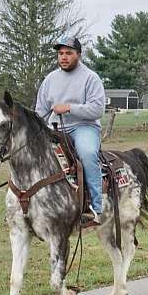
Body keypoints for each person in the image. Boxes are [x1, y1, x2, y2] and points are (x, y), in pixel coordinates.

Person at [35, 36, 106, 225]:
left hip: (84, 127)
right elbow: (40, 111)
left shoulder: (90, 78)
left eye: (68, 53)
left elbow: (98, 109)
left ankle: (96, 208)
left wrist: (69, 108)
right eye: (60, 54)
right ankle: (33, 205)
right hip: (54, 128)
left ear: (79, 55)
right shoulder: (50, 79)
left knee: (88, 153)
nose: (64, 57)